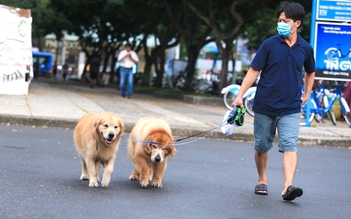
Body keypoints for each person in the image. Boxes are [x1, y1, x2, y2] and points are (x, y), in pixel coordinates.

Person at [231, 1, 315, 201]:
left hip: (291, 107)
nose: (281, 24)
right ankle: (262, 179)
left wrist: (307, 93)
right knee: (261, 146)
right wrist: (239, 95)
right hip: (265, 105)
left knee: (289, 145)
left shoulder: (305, 48)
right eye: (279, 20)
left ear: (297, 23)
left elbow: (310, 72)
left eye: (285, 20)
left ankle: (288, 187)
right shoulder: (269, 44)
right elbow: (254, 70)